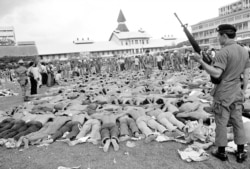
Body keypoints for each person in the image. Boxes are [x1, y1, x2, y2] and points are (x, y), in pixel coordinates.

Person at [190, 24, 250, 163]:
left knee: (221, 122)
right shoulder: (244, 51)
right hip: (237, 91)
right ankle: (241, 151)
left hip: (223, 92)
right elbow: (246, 75)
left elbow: (217, 73)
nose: (217, 39)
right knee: (237, 121)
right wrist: (243, 91)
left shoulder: (223, 52)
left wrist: (200, 61)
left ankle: (221, 151)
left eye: (218, 36)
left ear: (224, 35)